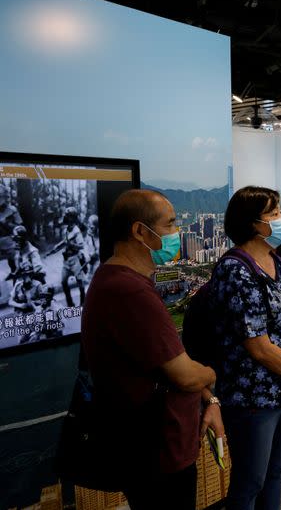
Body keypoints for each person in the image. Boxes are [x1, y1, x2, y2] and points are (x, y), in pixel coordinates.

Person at [81, 189, 222, 509]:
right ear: (140, 231)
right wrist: (212, 372)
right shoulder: (128, 291)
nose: (178, 233)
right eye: (171, 225)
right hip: (156, 451)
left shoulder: (116, 279)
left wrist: (209, 397)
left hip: (152, 445)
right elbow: (184, 375)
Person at [209, 186, 281, 510]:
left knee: (275, 473)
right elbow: (258, 345)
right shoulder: (235, 269)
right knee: (250, 481)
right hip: (253, 398)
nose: (280, 219)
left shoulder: (277, 260)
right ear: (253, 224)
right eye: (272, 214)